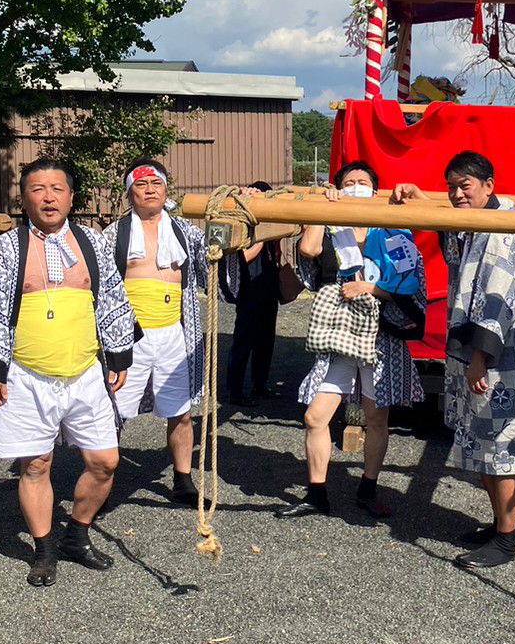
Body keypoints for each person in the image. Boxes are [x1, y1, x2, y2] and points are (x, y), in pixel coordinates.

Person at [0, 158, 136, 588]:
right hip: (26, 375)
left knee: (105, 462)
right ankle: (45, 548)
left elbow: (110, 301)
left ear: (72, 196)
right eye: (37, 189)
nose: (48, 197)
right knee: (35, 464)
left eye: (57, 188)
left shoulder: (93, 242)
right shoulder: (3, 249)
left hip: (85, 371)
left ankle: (77, 535)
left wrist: (120, 356)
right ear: (23, 198)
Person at [392, 151, 515, 571]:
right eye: (452, 187)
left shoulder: (501, 229)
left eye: (466, 186)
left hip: (503, 357)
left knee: (503, 449)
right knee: (484, 445)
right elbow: (450, 237)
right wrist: (419, 198)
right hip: (488, 354)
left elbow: (497, 300)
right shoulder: (477, 220)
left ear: (489, 186)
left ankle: (508, 538)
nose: (457, 194)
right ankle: (500, 523)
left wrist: (479, 359)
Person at [285, 159, 425, 522]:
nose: (356, 185)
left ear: (375, 190)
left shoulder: (392, 229)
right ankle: (316, 492)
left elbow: (411, 287)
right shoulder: (334, 227)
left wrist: (371, 288)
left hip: (381, 336)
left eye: (363, 181)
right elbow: (309, 251)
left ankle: (368, 487)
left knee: (377, 418)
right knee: (315, 417)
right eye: (349, 182)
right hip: (340, 335)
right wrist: (320, 205)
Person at [104, 159, 208, 503]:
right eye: (141, 185)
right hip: (129, 335)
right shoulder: (114, 234)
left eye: (156, 184)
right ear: (129, 195)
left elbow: (215, 254)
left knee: (180, 411)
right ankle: (101, 480)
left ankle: (182, 479)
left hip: (173, 332)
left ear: (166, 191)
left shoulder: (184, 231)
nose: (150, 190)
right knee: (113, 410)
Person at [220, 179, 281, 404]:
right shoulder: (243, 224)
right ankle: (234, 390)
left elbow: (276, 255)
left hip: (268, 285)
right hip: (250, 287)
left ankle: (259, 383)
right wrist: (261, 240)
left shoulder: (273, 225)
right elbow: (242, 258)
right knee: (244, 339)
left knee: (266, 338)